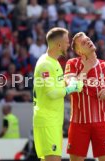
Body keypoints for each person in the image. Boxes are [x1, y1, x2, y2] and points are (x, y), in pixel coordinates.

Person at [64, 32, 105, 161]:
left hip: (101, 123)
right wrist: (86, 68)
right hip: (78, 124)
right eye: (83, 43)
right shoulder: (72, 64)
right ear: (79, 51)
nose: (88, 42)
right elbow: (71, 87)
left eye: (88, 39)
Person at [32, 27, 83, 161]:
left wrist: (71, 82)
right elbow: (51, 93)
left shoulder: (53, 62)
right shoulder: (45, 65)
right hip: (47, 121)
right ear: (59, 44)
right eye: (67, 41)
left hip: (53, 120)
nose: (69, 45)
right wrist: (71, 88)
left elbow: (57, 86)